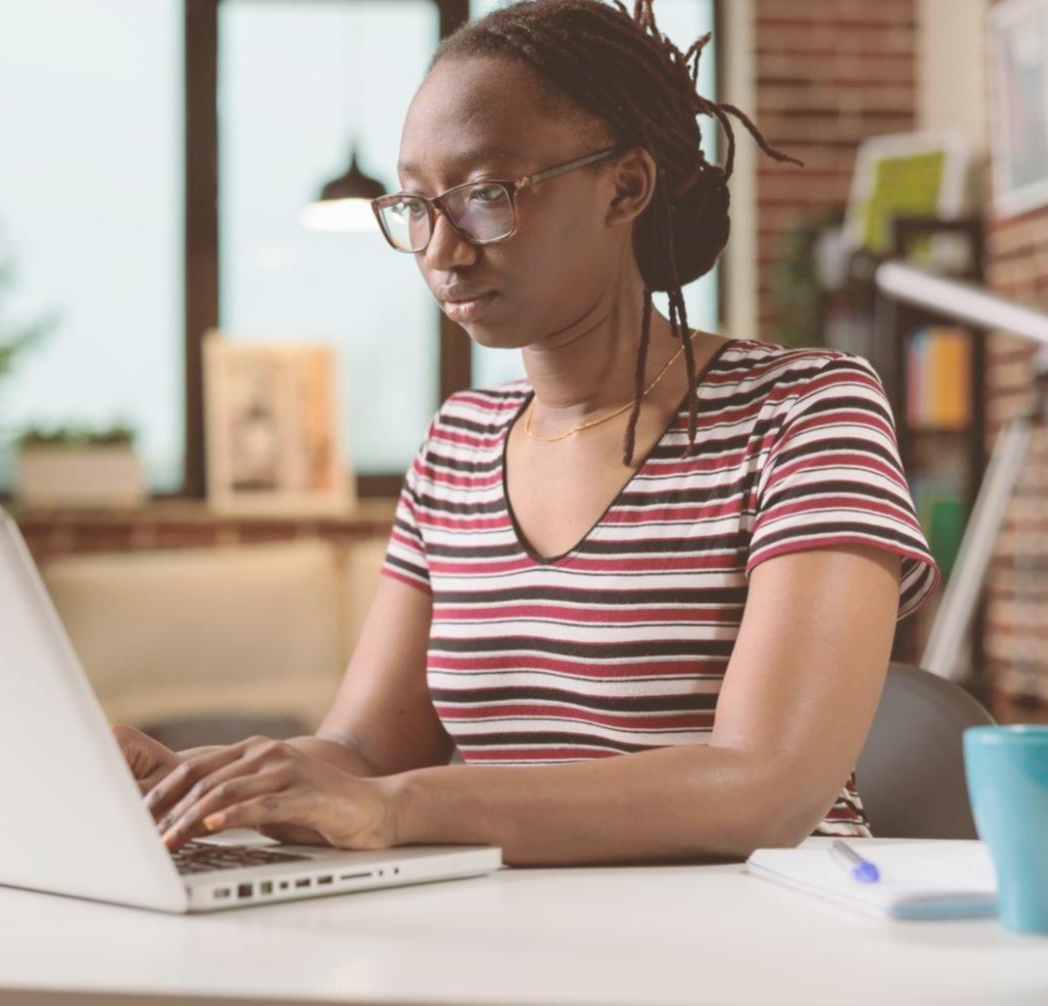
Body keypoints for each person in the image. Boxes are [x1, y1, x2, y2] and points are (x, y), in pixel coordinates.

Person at [116, 0, 938, 866]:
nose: (440, 249)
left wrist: (398, 808)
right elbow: (361, 756)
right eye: (416, 206)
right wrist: (198, 784)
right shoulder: (459, 443)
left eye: (483, 196)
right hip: (521, 935)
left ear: (624, 186)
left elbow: (761, 790)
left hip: (776, 946)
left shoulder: (803, 413)